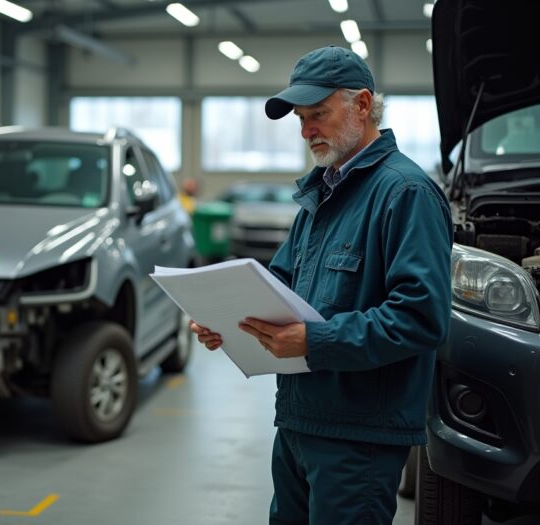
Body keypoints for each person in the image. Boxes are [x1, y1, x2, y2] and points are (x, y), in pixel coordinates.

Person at [190, 45, 453, 524]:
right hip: (298, 421)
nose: (306, 130)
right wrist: (224, 319)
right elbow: (280, 284)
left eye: (318, 114)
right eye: (301, 119)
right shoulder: (322, 194)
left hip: (359, 436)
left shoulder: (405, 193)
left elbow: (421, 317)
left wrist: (315, 341)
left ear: (362, 105)